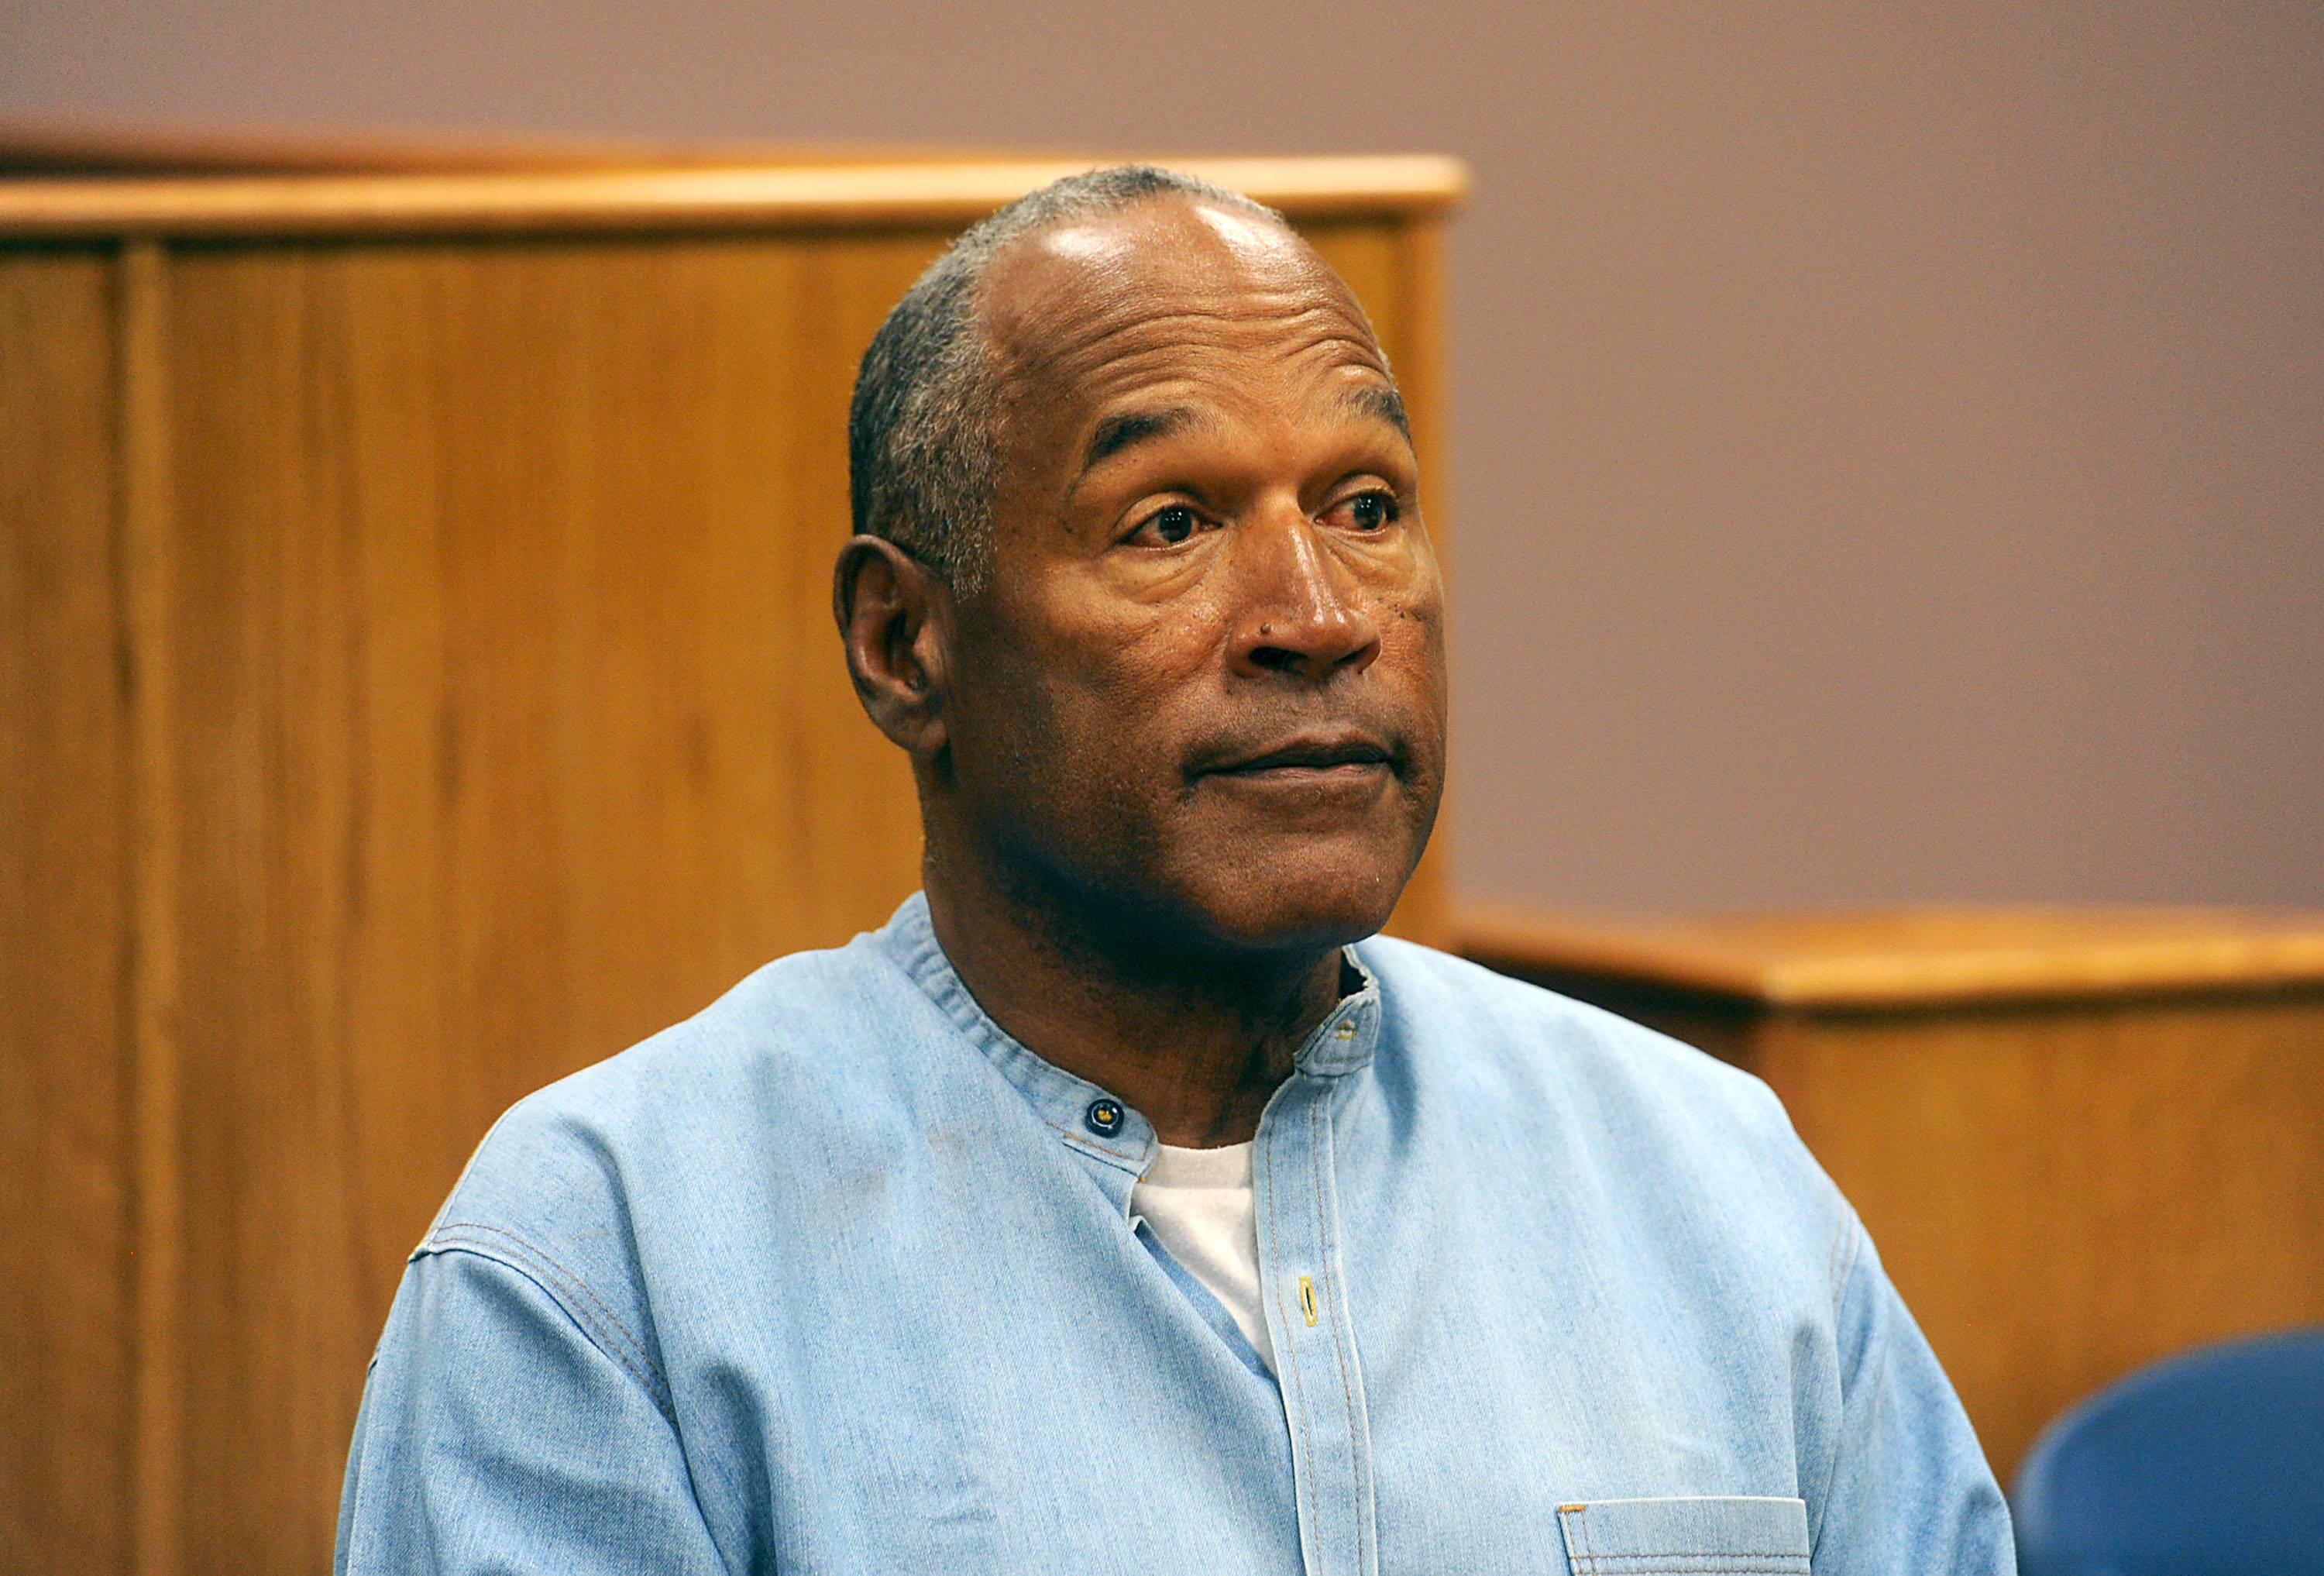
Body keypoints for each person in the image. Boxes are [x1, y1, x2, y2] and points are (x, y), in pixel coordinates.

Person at [335, 166, 2013, 1574]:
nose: (1320, 616)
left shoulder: (1710, 1186)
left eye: (1366, 504)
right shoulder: (605, 1267)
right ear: (904, 642)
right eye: (1172, 524)